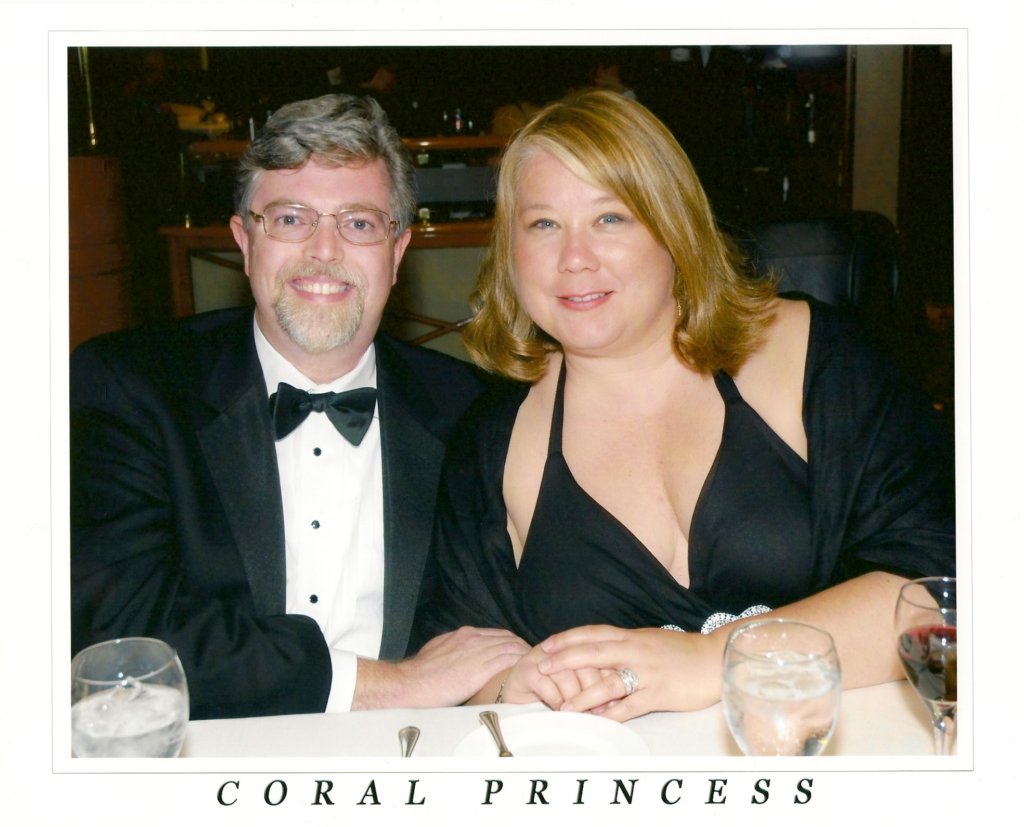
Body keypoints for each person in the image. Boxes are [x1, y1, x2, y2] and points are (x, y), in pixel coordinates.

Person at [412, 90, 955, 721]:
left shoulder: (816, 357)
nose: (574, 259)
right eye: (543, 225)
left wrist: (713, 660)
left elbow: (941, 589)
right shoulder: (492, 438)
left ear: (675, 228)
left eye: (610, 218)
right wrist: (514, 687)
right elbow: (458, 663)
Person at [71, 93, 528, 720]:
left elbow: (497, 623)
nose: (324, 250)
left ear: (397, 253)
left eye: (359, 224)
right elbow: (123, 635)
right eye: (291, 219)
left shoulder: (473, 410)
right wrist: (385, 685)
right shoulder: (131, 388)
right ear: (244, 241)